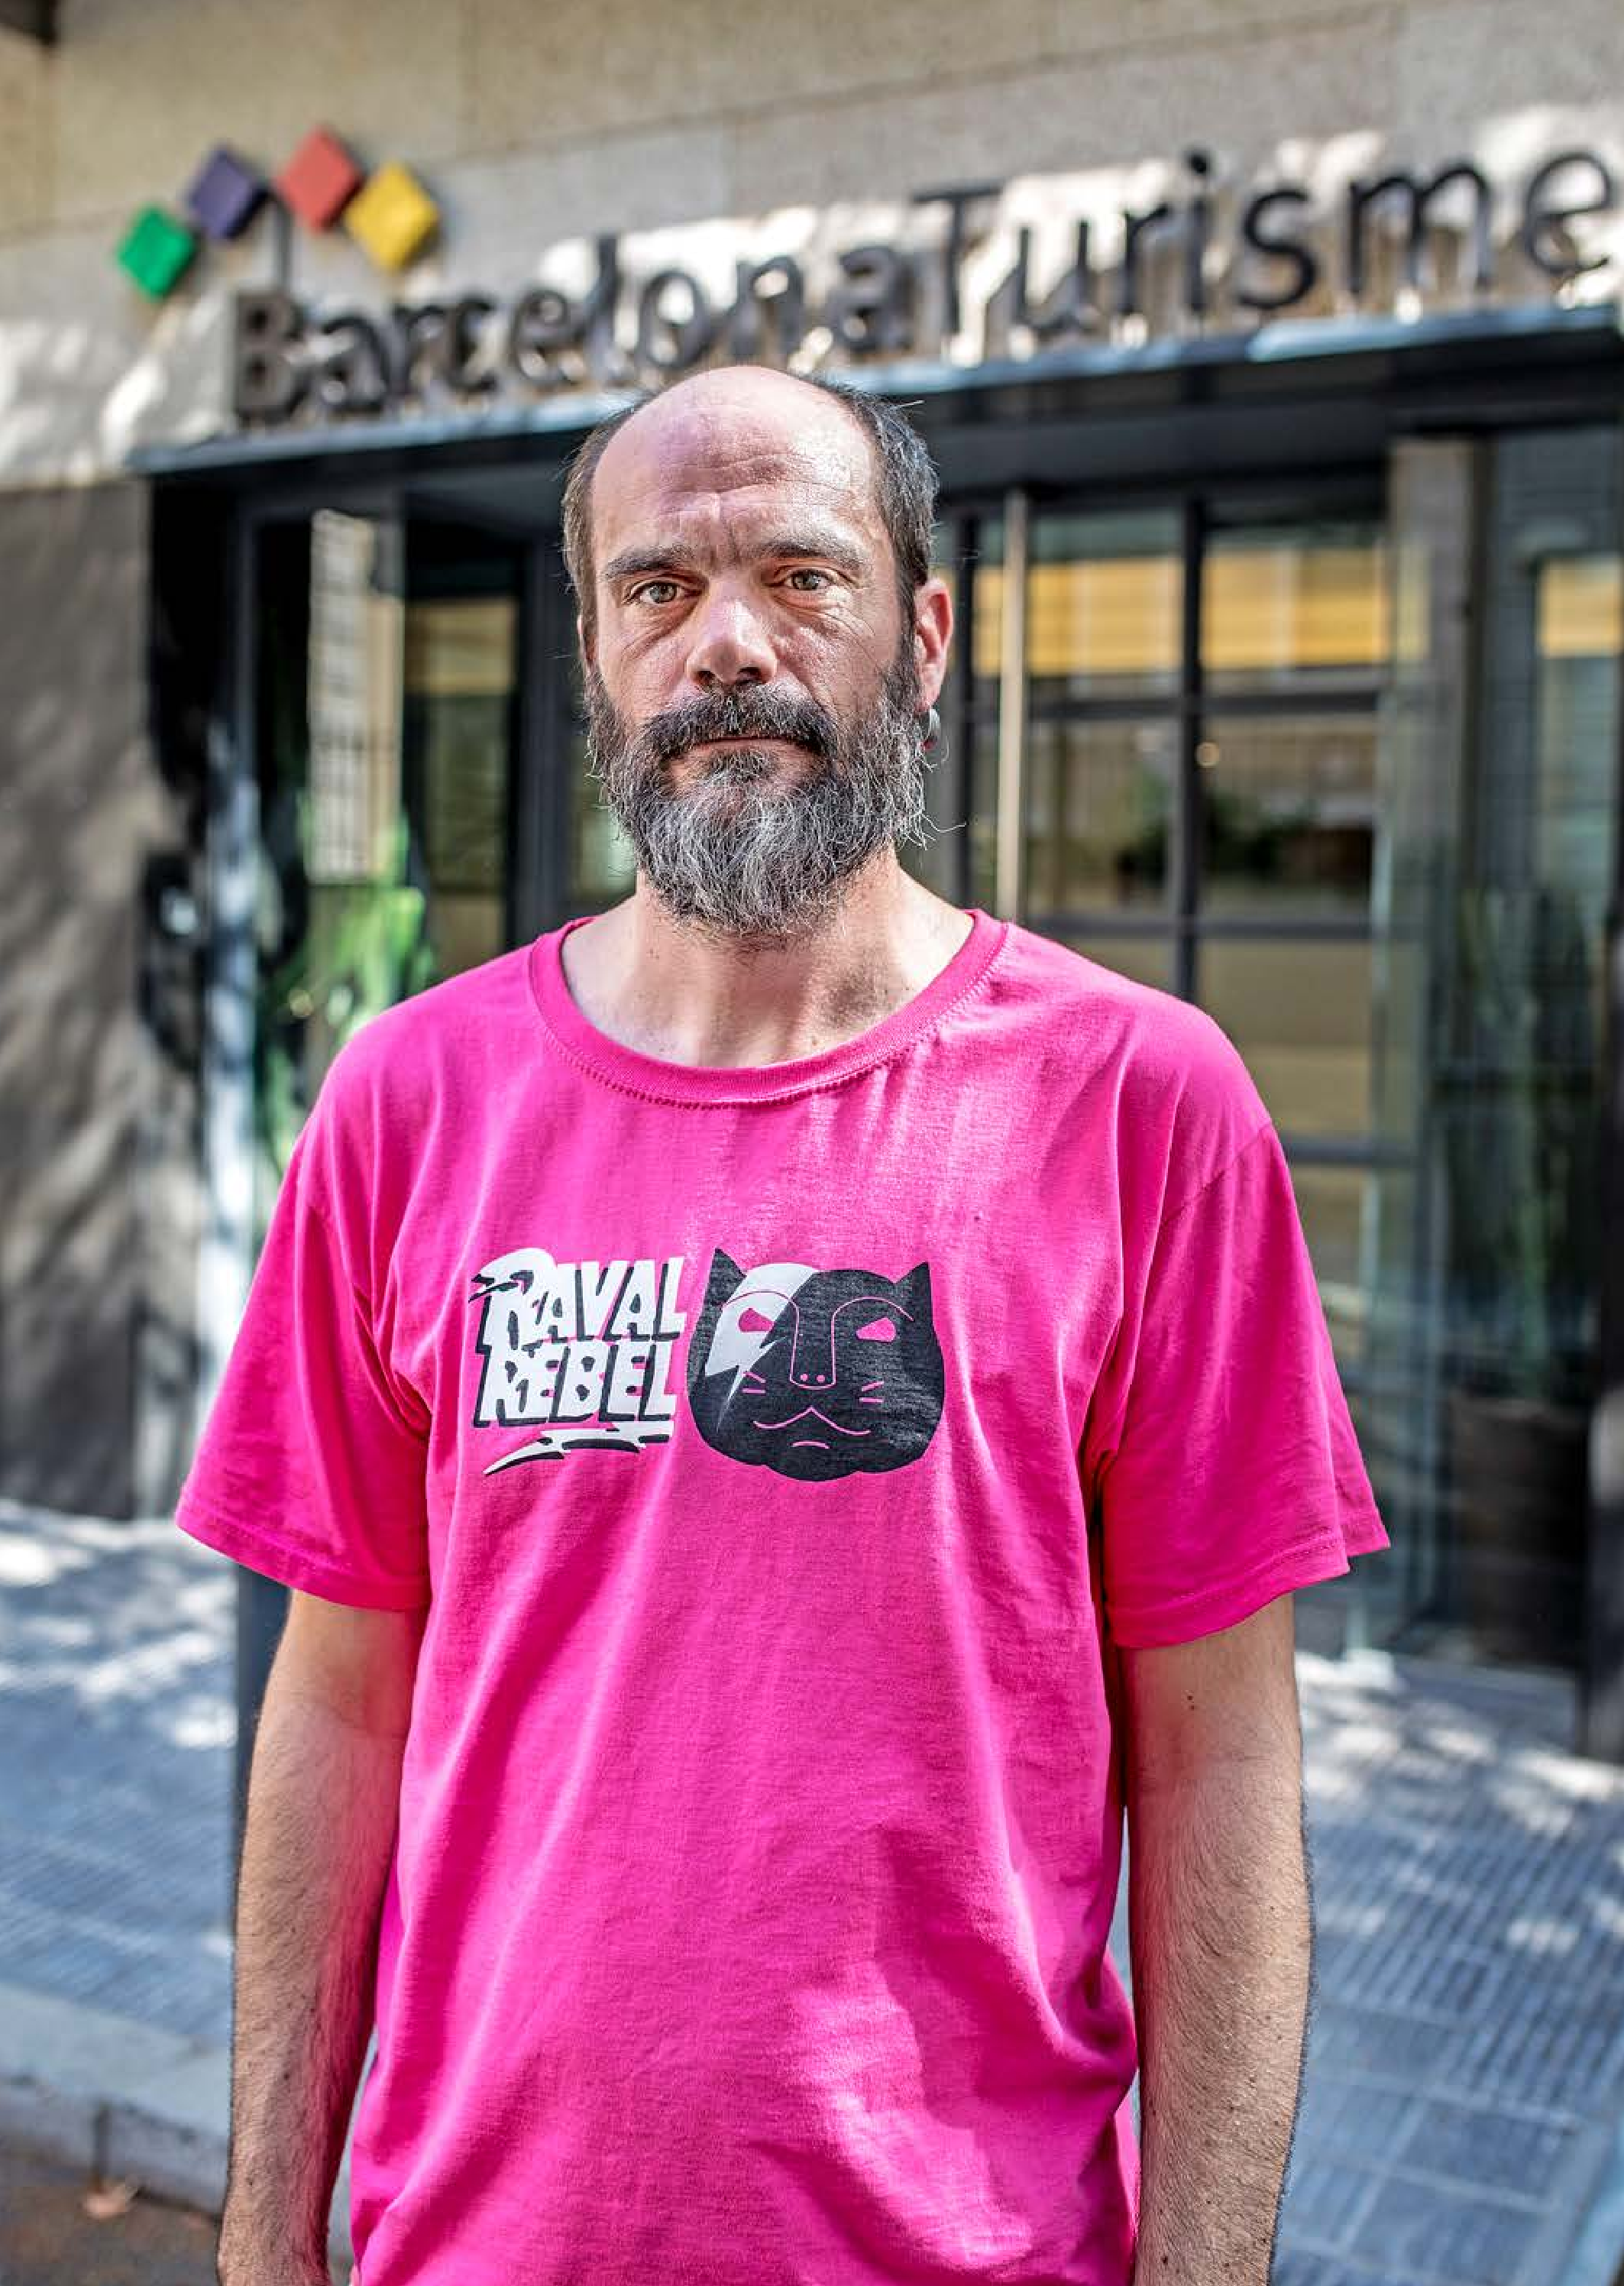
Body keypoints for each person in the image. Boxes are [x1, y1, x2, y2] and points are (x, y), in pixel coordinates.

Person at [176, 362, 1389, 2286]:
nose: (726, 643)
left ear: (923, 640)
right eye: (657, 588)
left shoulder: (1141, 1102)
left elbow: (1219, 1757)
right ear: (594, 657)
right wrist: (263, 2242)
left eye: (801, 576)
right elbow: (337, 1702)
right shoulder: (408, 1101)